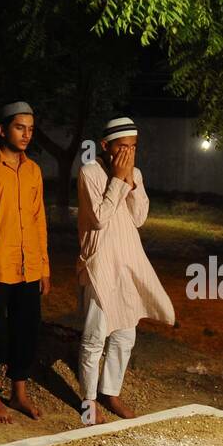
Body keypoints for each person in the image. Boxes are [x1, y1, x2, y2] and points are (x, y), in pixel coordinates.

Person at [76, 116, 174, 424]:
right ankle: (88, 403)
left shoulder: (136, 174)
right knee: (94, 338)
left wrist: (130, 182)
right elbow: (99, 219)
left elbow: (139, 217)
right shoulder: (89, 172)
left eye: (133, 147)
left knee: (124, 335)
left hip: (128, 264)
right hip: (100, 265)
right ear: (105, 147)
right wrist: (117, 179)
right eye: (122, 147)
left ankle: (111, 392)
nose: (128, 154)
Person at [0, 101, 50, 422]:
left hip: (29, 267)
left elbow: (38, 219)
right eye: (20, 127)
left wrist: (44, 266)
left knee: (27, 330)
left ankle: (18, 394)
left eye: (30, 129)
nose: (26, 134)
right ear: (2, 130)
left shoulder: (34, 171)